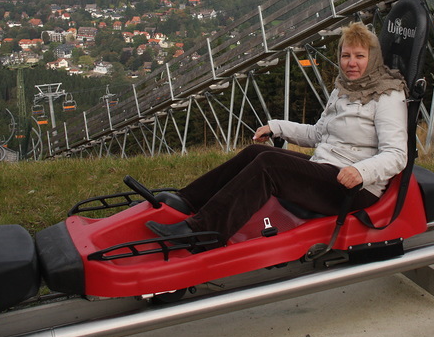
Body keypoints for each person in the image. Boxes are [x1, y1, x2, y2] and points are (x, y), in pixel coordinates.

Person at [146, 21, 408, 247]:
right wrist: (277, 127)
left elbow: (397, 154)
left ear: (372, 58)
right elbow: (319, 134)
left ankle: (202, 232)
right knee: (256, 153)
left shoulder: (387, 94)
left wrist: (362, 172)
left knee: (269, 166)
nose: (351, 63)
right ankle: (187, 200)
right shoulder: (343, 89)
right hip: (328, 168)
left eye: (359, 56)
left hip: (355, 186)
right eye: (345, 55)